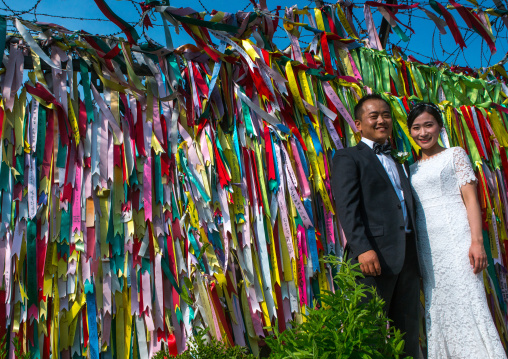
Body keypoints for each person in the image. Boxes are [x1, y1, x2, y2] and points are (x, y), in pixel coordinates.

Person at [408, 102, 507, 359]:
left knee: (467, 298)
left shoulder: (456, 154)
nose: (423, 132)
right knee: (438, 304)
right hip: (428, 246)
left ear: (439, 126)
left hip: (457, 238)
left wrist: (477, 242)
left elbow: (471, 200)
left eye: (428, 125)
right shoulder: (411, 168)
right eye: (416, 128)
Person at [331, 94, 421, 358]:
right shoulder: (348, 157)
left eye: (386, 115)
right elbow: (347, 207)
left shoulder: (399, 160)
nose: (382, 120)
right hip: (373, 257)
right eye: (374, 116)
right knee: (368, 329)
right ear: (358, 124)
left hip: (408, 258)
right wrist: (362, 249)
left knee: (407, 332)